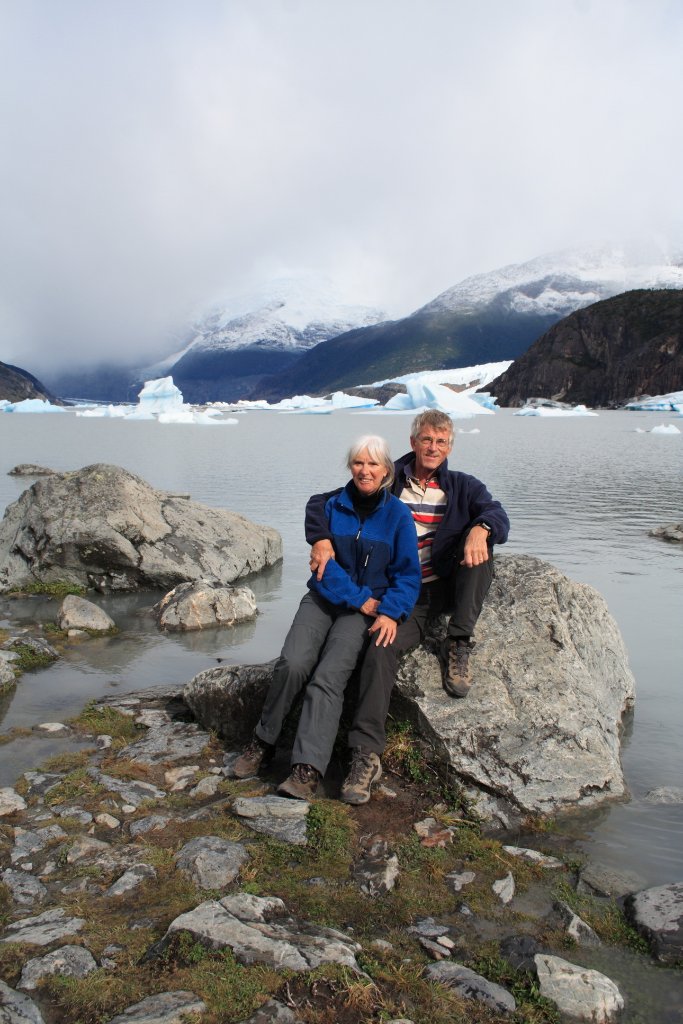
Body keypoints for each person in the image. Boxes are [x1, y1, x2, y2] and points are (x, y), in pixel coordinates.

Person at [305, 410, 509, 804]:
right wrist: (320, 537)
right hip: (403, 595)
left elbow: (496, 512)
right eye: (427, 440)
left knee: (483, 552)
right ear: (413, 441)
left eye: (442, 442)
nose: (434, 448)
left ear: (450, 447)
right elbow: (323, 502)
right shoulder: (386, 476)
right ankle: (365, 754)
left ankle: (459, 640)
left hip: (442, 588)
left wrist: (481, 529)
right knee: (380, 647)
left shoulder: (463, 487)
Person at [233, 435, 421, 802]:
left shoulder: (398, 515)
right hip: (325, 599)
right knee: (293, 662)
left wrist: (389, 612)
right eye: (358, 463)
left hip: (361, 612)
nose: (365, 471)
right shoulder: (332, 506)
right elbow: (325, 571)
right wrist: (363, 600)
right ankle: (263, 740)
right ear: (350, 466)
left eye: (373, 464)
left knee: (328, 676)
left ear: (386, 471)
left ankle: (307, 771)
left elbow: (408, 575)